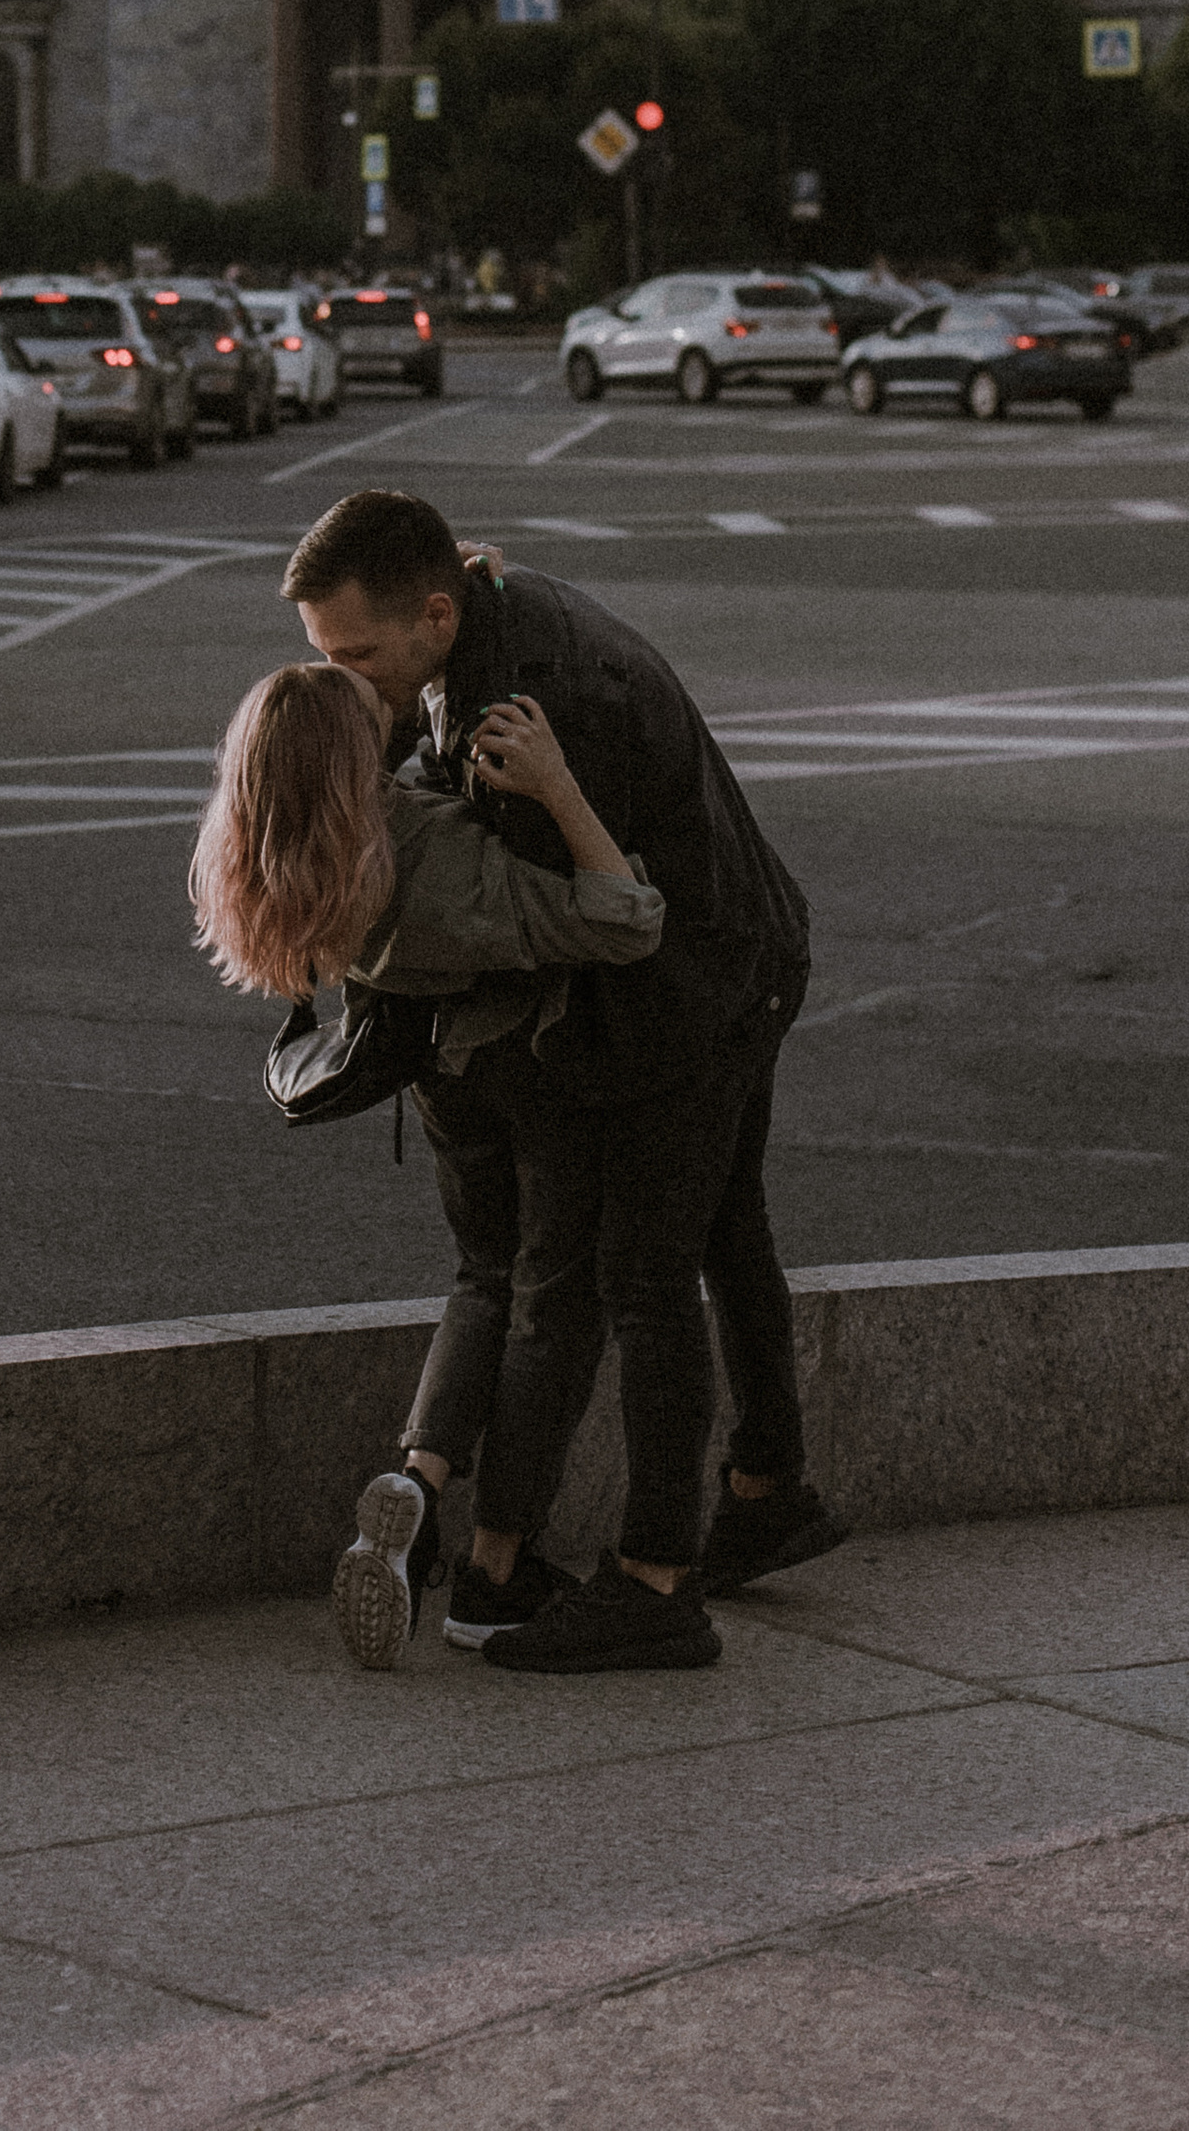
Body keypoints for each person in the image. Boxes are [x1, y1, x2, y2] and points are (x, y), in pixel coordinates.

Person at [283, 489, 843, 1678]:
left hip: (694, 986)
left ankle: (655, 1584)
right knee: (726, 1234)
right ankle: (765, 1488)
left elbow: (595, 923)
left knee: (643, 1276)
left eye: (355, 656)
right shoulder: (481, 626)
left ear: (435, 613)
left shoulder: (534, 708)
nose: (339, 678)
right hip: (743, 950)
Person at [191, 657, 666, 1672]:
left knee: (481, 1278)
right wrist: (556, 788)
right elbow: (625, 917)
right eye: (377, 717)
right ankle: (497, 1569)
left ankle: (418, 1477)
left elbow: (392, 753)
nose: (399, 709)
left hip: (440, 1081)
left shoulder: (305, 853)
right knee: (553, 1299)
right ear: (350, 763)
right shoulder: (436, 859)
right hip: (529, 1077)